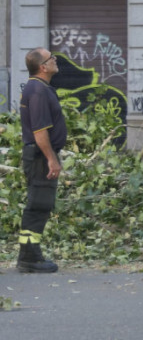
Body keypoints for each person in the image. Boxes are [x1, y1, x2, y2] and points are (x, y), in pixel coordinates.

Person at [17, 48, 68, 273]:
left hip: (39, 155)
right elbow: (40, 131)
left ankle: (29, 255)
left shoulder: (40, 88)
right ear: (43, 67)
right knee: (38, 206)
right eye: (51, 58)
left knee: (41, 204)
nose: (55, 59)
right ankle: (29, 258)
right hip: (40, 157)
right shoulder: (37, 90)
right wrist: (52, 159)